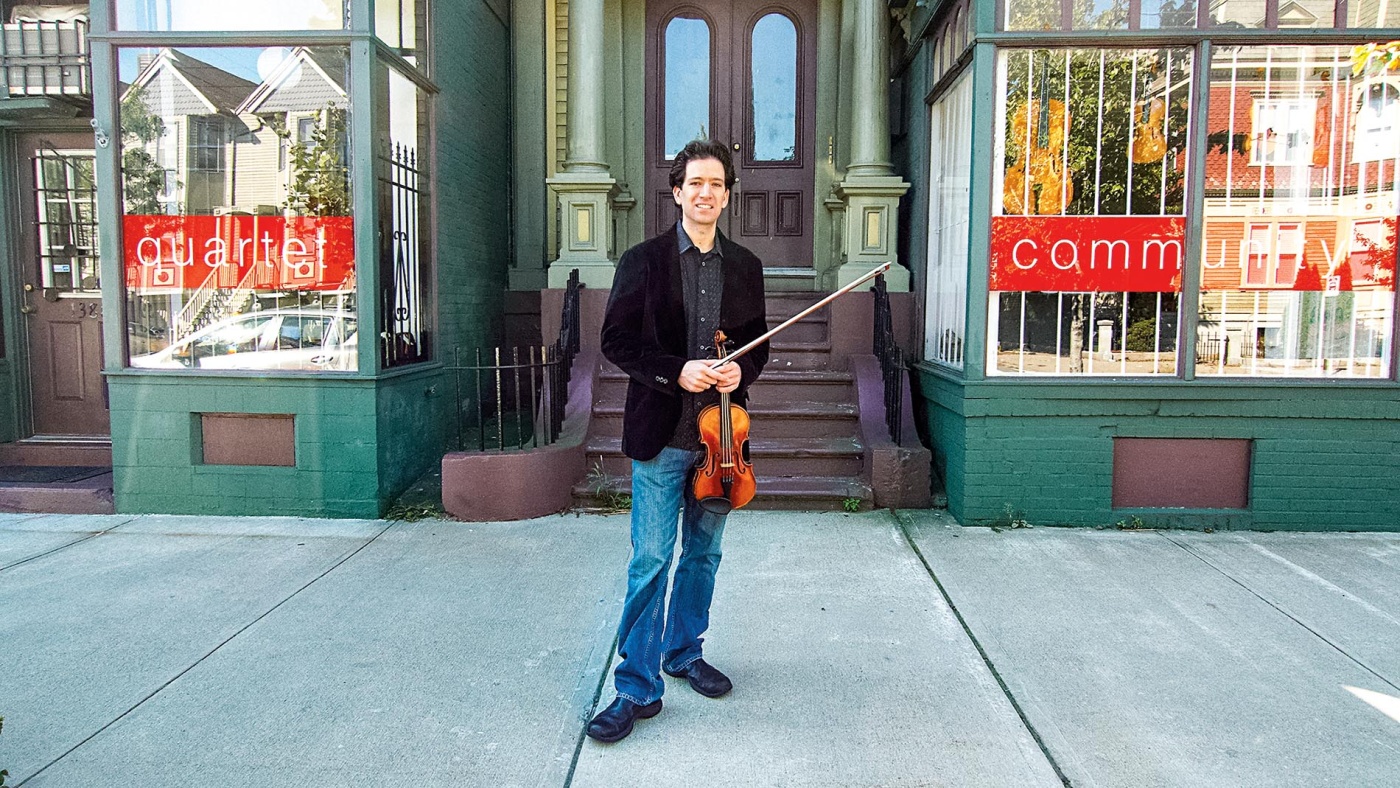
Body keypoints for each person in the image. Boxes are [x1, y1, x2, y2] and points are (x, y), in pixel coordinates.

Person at [586, 139, 769, 743]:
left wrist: (744, 369)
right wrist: (674, 371)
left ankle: (684, 651)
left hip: (721, 442)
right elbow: (617, 341)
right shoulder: (642, 261)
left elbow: (757, 343)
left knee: (704, 555)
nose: (706, 193)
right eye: (696, 183)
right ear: (677, 191)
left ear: (727, 193)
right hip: (663, 436)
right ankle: (635, 687)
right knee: (650, 560)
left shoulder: (745, 266)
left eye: (717, 184)